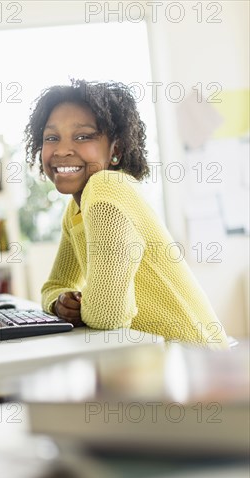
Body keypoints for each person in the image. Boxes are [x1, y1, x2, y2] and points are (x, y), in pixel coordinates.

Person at [24, 79, 228, 349]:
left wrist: (80, 306)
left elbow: (108, 314)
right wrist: (61, 302)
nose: (61, 150)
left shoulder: (107, 188)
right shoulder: (75, 209)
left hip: (197, 368)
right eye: (51, 138)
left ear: (115, 150)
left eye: (83, 136)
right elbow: (54, 285)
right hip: (156, 364)